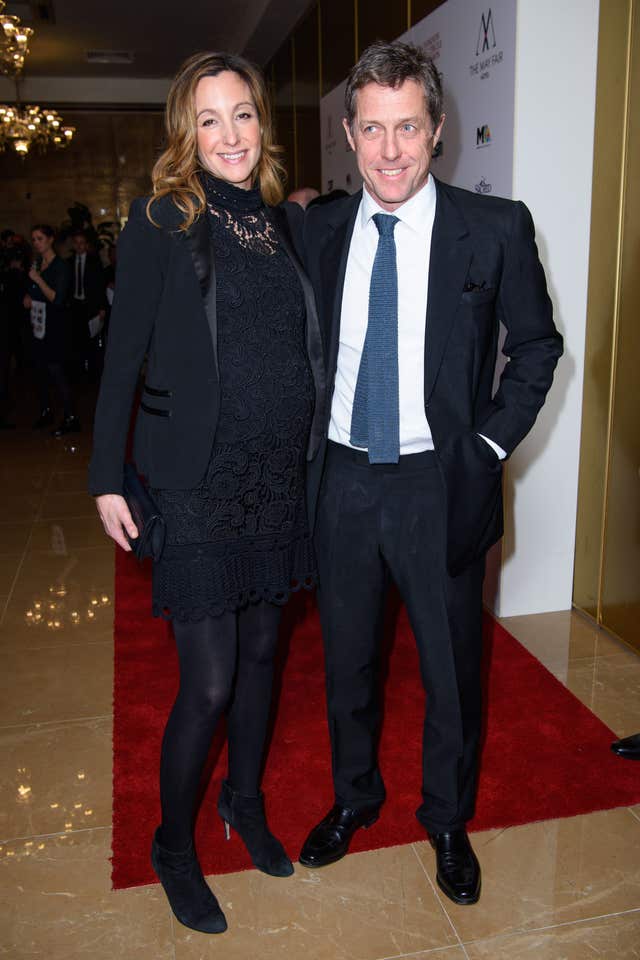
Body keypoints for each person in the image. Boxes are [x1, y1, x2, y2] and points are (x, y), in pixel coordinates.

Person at [290, 41, 563, 906]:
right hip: (341, 479)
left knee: (450, 668)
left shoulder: (496, 228)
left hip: (438, 480)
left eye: (408, 126)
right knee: (348, 662)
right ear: (349, 132)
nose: (390, 150)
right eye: (372, 129)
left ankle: (446, 819)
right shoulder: (320, 230)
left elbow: (538, 348)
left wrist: (485, 448)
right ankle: (354, 798)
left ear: (438, 129)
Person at [88, 51, 324, 935]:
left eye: (242, 115)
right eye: (209, 119)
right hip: (195, 484)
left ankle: (246, 802)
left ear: (262, 123)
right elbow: (122, 358)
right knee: (213, 681)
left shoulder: (280, 224)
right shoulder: (161, 220)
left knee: (265, 659)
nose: (228, 135)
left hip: (275, 480)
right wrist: (106, 473)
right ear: (186, 132)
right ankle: (173, 847)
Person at [24, 225, 80, 436]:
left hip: (56, 326)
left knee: (57, 371)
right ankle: (46, 411)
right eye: (34, 239)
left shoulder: (61, 266)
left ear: (50, 240)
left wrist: (37, 280)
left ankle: (71, 417)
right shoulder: (38, 263)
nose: (36, 243)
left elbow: (57, 299)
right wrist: (30, 297)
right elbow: (35, 291)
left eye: (39, 238)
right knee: (40, 370)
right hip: (39, 325)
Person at [69, 228, 107, 382]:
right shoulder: (69, 262)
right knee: (77, 340)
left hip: (90, 305)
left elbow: (100, 285)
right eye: (76, 243)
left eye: (82, 243)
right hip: (75, 306)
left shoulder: (94, 261)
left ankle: (94, 372)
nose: (79, 246)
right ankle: (79, 371)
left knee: (92, 340)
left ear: (86, 245)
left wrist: (102, 307)